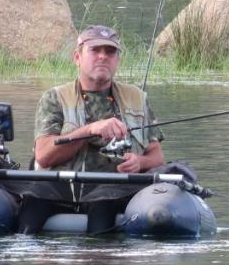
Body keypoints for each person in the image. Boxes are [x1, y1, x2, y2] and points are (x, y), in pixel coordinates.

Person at [25, 24, 165, 234]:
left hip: (112, 191)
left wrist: (140, 162)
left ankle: (97, 259)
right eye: (95, 50)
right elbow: (43, 156)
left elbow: (157, 156)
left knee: (103, 207)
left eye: (110, 52)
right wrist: (89, 130)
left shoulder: (138, 98)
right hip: (59, 187)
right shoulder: (54, 98)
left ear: (117, 60)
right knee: (30, 210)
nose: (103, 56)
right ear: (77, 57)